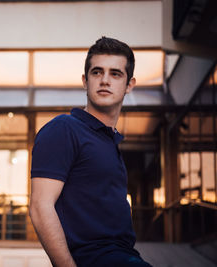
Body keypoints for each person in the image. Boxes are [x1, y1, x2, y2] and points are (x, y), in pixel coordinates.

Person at [29, 37, 152, 267]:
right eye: (97, 72)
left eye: (115, 74)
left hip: (126, 256)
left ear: (129, 85)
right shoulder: (64, 129)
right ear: (85, 81)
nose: (105, 80)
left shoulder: (109, 143)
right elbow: (40, 206)